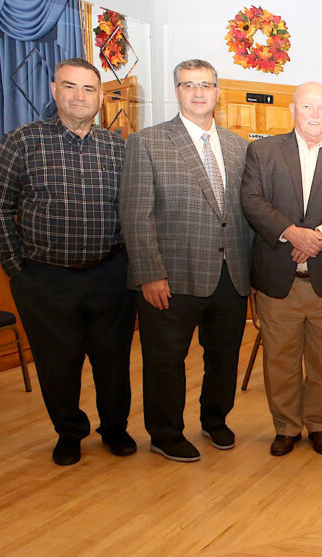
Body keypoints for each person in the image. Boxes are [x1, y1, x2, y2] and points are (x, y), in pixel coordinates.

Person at [0, 58, 136, 466]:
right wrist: (18, 272)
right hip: (45, 279)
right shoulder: (21, 142)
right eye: (70, 86)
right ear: (54, 91)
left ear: (101, 98)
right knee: (58, 364)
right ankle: (69, 433)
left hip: (111, 276)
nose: (79, 96)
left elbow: (135, 211)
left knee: (113, 362)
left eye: (88, 89)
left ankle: (115, 429)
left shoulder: (119, 147)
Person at [121, 59, 251, 463]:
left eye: (206, 85)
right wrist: (149, 273)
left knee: (224, 356)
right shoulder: (148, 142)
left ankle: (216, 420)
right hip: (170, 278)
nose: (198, 92)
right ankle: (165, 432)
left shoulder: (238, 146)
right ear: (176, 91)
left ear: (217, 92)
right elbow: (135, 213)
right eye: (188, 84)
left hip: (231, 276)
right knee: (165, 361)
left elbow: (245, 212)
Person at [241, 82, 322, 457]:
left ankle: (320, 425)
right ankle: (286, 427)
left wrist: (320, 237)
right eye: (307, 107)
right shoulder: (262, 152)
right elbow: (251, 200)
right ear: (292, 111)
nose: (315, 115)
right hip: (278, 281)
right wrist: (292, 233)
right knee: (279, 360)